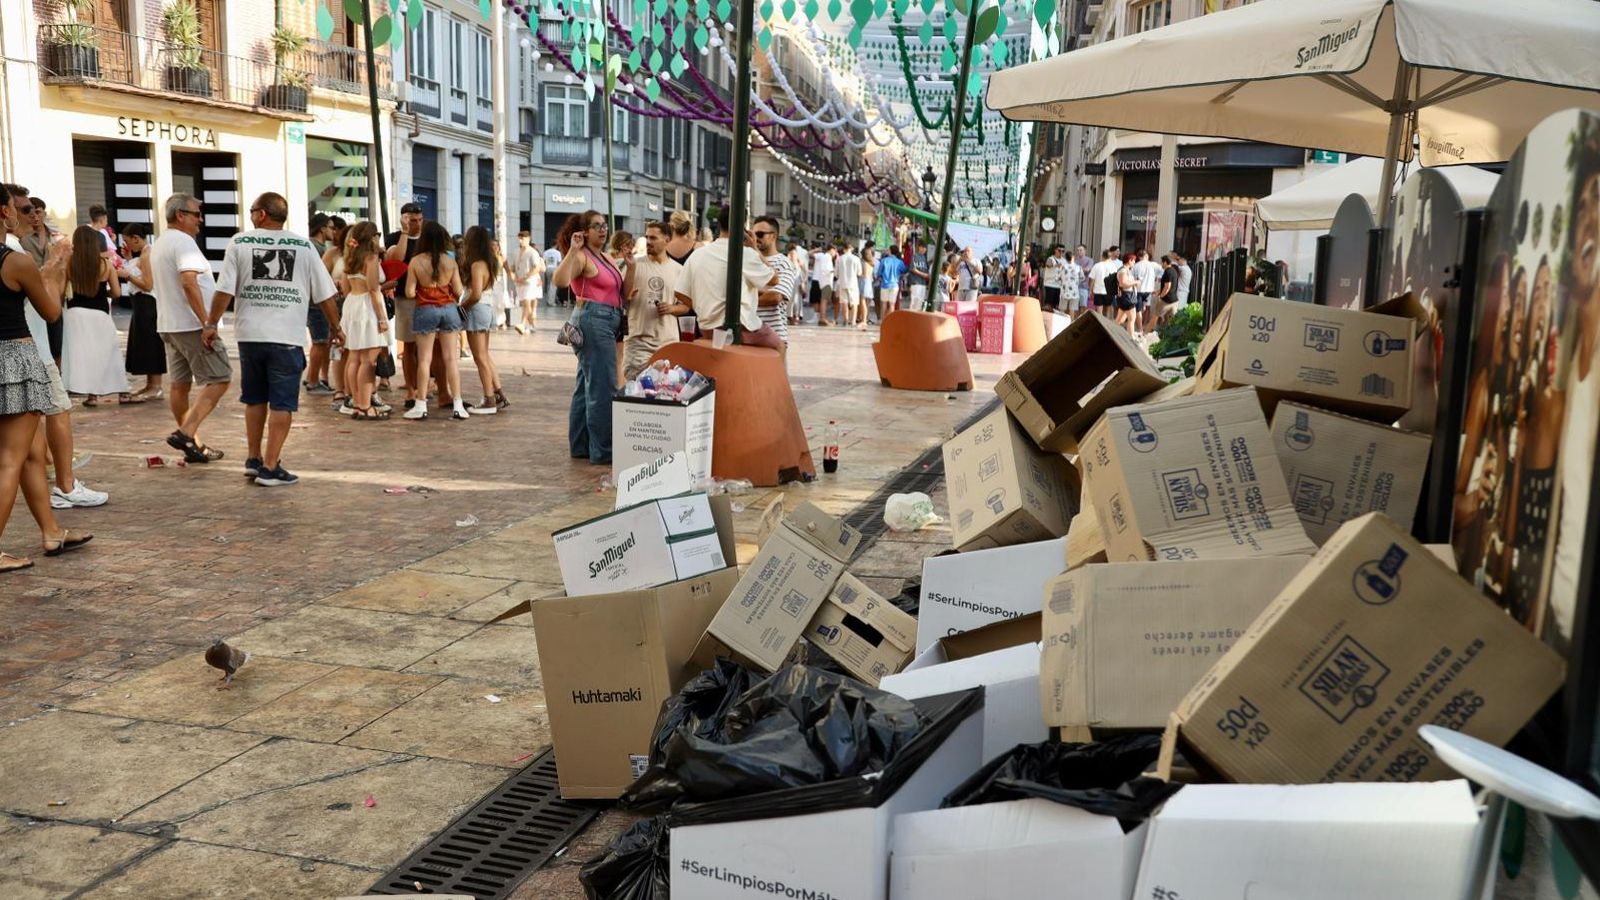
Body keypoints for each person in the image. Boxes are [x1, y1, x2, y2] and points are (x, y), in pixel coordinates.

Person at [203, 192, 341, 486]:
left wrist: (211, 323)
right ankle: (270, 465)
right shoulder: (304, 246)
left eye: (252, 210)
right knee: (282, 404)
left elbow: (224, 290)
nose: (251, 215)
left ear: (262, 214)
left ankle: (254, 459)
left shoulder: (239, 242)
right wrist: (336, 328)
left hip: (250, 336)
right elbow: (326, 294)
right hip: (286, 337)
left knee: (254, 399)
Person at [0, 186, 90, 573]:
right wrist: (55, 265)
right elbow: (51, 310)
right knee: (10, 460)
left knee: (33, 454)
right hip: (14, 360)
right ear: (4, 211)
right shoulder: (15, 261)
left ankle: (52, 531)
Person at [152, 193, 232, 464]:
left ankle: (193, 443)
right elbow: (189, 282)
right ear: (180, 215)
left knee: (180, 385)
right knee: (220, 378)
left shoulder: (161, 242)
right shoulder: (183, 243)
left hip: (170, 324)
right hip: (189, 325)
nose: (201, 219)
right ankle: (187, 433)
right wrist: (206, 322)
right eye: (196, 213)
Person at [551, 209, 624, 464]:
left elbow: (621, 289)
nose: (602, 230)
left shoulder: (605, 257)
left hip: (605, 320)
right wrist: (573, 249)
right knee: (603, 387)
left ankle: (581, 445)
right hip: (593, 320)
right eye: (596, 226)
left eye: (604, 225)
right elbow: (559, 280)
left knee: (586, 386)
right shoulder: (581, 257)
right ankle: (603, 451)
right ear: (584, 231)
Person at [669, 207, 782, 351]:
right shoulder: (745, 253)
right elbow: (774, 279)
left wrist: (701, 306)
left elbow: (679, 292)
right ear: (743, 225)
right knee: (779, 346)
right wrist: (755, 249)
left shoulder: (698, 254)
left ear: (719, 224)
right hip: (741, 327)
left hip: (707, 327)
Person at [402, 221, 468, 421]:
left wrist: (425, 291)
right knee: (451, 359)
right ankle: (458, 404)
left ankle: (421, 404)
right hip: (449, 310)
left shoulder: (415, 261)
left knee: (424, 359)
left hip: (425, 310)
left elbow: (409, 292)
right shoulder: (450, 262)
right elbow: (458, 291)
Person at [59, 225, 128, 404]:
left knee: (83, 354)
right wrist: (103, 293)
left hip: (75, 313)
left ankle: (92, 395)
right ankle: (122, 392)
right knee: (107, 353)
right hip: (100, 313)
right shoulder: (106, 265)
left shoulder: (70, 263)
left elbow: (60, 291)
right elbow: (117, 293)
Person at [335, 221, 390, 420]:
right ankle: (365, 405)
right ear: (372, 237)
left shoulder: (349, 257)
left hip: (352, 305)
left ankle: (357, 402)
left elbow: (345, 288)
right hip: (368, 307)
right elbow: (374, 289)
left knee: (354, 358)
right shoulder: (371, 258)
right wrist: (382, 319)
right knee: (368, 361)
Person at [621, 220, 684, 380]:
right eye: (647, 237)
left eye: (654, 238)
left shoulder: (679, 270)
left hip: (668, 343)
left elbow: (687, 306)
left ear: (667, 240)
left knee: (665, 393)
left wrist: (671, 308)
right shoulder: (634, 265)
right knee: (636, 395)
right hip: (638, 343)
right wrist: (629, 270)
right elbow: (622, 297)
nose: (648, 242)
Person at [459, 225, 506, 415]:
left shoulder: (477, 265)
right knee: (484, 355)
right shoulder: (489, 262)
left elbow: (475, 294)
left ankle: (489, 399)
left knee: (479, 357)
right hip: (486, 309)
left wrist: (462, 307)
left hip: (477, 309)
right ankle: (498, 392)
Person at [384, 202, 424, 407]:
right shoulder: (393, 238)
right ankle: (411, 388)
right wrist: (405, 233)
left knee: (426, 347)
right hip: (405, 298)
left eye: (419, 220)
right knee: (408, 346)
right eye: (412, 220)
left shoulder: (428, 236)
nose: (417, 224)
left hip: (427, 298)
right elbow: (397, 262)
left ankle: (425, 386)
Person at [118, 223, 164, 401]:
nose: (128, 245)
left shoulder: (147, 254)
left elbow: (147, 284)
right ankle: (150, 384)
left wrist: (127, 275)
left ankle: (156, 385)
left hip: (147, 304)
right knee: (144, 344)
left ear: (136, 238)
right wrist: (128, 259)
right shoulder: (142, 255)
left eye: (128, 241)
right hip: (140, 304)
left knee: (151, 343)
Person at [753, 216, 795, 357]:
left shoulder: (784, 264)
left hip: (774, 339)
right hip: (749, 337)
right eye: (753, 234)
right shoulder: (748, 261)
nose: (755, 238)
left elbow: (775, 297)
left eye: (760, 234)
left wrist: (745, 297)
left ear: (773, 237)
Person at [511, 230, 541, 334]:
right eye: (519, 238)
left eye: (522, 239)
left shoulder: (533, 252)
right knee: (525, 303)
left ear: (528, 239)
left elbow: (537, 267)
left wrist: (526, 277)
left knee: (527, 302)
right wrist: (512, 274)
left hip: (530, 282)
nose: (520, 241)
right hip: (519, 283)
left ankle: (522, 324)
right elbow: (513, 267)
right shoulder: (515, 252)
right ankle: (532, 325)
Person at [874, 245, 907, 323]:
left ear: (890, 251)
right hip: (895, 285)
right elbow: (904, 270)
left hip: (884, 284)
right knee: (892, 304)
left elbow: (879, 273)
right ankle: (889, 321)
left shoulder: (884, 260)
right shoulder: (900, 262)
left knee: (884, 303)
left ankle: (883, 321)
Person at [834, 243, 862, 329]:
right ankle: (853, 321)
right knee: (854, 303)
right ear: (851, 248)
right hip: (853, 283)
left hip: (843, 283)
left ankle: (845, 320)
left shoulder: (839, 259)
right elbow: (859, 273)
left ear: (844, 249)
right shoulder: (856, 259)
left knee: (844, 302)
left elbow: (836, 274)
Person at [1133, 250, 1158, 333]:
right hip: (1149, 290)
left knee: (1138, 309)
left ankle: (1140, 328)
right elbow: (1162, 273)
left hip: (1139, 290)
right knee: (1147, 307)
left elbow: (1132, 278)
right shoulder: (1153, 265)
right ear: (1146, 256)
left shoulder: (1136, 266)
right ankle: (1145, 324)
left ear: (1139, 257)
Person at [810, 241, 835, 325]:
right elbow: (826, 270)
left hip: (822, 281)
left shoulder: (823, 256)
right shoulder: (827, 257)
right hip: (826, 281)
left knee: (822, 300)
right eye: (835, 251)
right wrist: (832, 271)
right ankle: (822, 318)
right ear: (832, 249)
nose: (835, 253)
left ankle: (822, 318)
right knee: (824, 300)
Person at [1115, 252, 1140, 336]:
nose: (1134, 263)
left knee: (1120, 319)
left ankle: (1110, 333)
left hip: (1125, 296)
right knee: (1132, 318)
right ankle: (1131, 338)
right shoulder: (1123, 271)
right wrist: (1135, 282)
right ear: (1129, 260)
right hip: (1127, 297)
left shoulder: (1125, 270)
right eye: (1133, 261)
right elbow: (1123, 284)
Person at [1153, 255, 1180, 326]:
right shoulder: (1174, 270)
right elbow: (1166, 287)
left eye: (1162, 262)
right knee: (1169, 321)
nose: (1161, 264)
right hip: (1174, 300)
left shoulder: (1168, 272)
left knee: (1155, 317)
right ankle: (1164, 334)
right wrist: (1158, 292)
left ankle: (1146, 333)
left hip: (1166, 300)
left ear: (1165, 262)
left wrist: (1161, 296)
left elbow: (1167, 287)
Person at [1087, 248, 1115, 317]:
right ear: (1110, 257)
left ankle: (1100, 326)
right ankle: (1106, 326)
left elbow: (1092, 279)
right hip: (1109, 291)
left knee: (1099, 312)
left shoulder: (1097, 265)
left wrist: (1090, 290)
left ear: (1102, 256)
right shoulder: (1113, 266)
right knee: (1107, 311)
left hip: (1098, 291)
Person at [787, 240, 809, 325]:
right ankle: (793, 316)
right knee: (793, 299)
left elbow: (805, 270)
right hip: (794, 281)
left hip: (796, 281)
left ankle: (794, 316)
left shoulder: (796, 260)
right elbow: (805, 270)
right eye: (792, 253)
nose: (793, 254)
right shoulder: (791, 259)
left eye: (794, 253)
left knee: (795, 299)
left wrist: (804, 279)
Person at [905, 236, 930, 310]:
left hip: (923, 283)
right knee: (914, 303)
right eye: (923, 247)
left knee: (920, 304)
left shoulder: (924, 258)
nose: (925, 249)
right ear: (919, 247)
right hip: (916, 283)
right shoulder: (914, 256)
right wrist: (924, 275)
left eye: (925, 248)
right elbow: (913, 269)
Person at [1040, 244, 1066, 311]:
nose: (1061, 253)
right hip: (1050, 284)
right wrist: (1056, 265)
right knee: (1048, 304)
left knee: (1056, 304)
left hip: (1059, 285)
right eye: (1059, 250)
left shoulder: (1064, 261)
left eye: (1063, 251)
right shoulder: (1051, 258)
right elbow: (1048, 264)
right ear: (1055, 250)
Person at [542, 238, 565, 308]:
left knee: (549, 284)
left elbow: (543, 261)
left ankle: (548, 299)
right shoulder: (557, 253)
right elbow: (559, 262)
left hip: (547, 268)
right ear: (556, 245)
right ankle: (551, 302)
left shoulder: (545, 252)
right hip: (555, 268)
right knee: (553, 285)